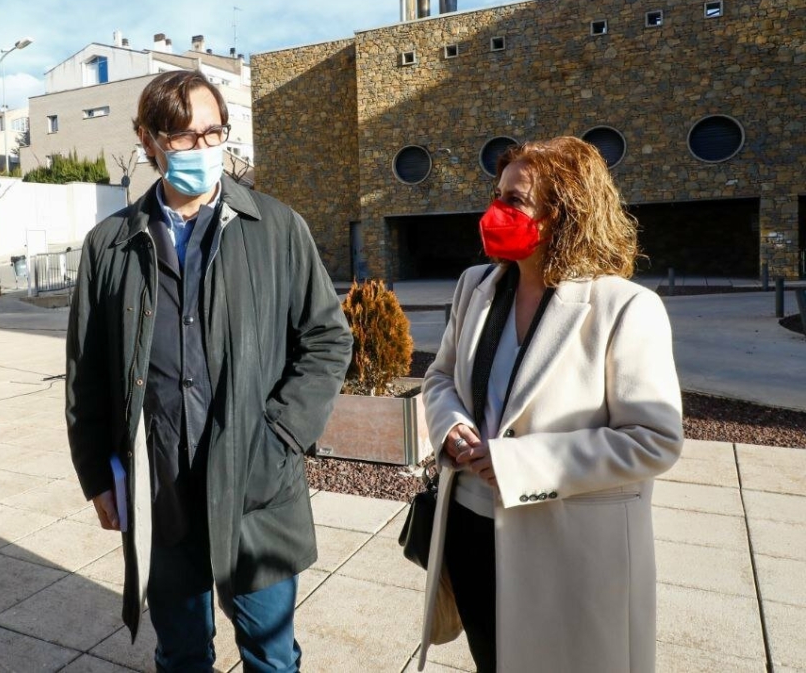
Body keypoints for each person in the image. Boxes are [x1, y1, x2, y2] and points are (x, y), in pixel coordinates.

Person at [66, 70, 352, 672]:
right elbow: (86, 373)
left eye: (213, 132)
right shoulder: (110, 244)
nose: (202, 149)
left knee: (271, 656)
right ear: (148, 141)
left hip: (255, 486)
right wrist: (97, 474)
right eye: (183, 137)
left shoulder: (276, 227)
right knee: (182, 654)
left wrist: (283, 434)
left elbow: (326, 338)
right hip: (161, 486)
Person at [417, 136, 684, 672]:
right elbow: (440, 376)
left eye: (512, 200)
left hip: (567, 545)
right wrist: (449, 426)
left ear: (564, 212)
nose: (494, 211)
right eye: (496, 195)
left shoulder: (626, 308)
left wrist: (520, 465)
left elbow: (655, 441)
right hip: (469, 529)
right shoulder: (477, 286)